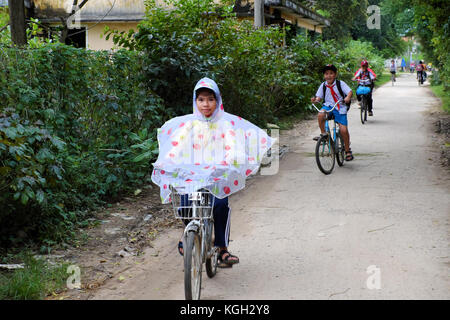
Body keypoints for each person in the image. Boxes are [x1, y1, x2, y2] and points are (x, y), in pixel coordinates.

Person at [151, 77, 273, 267]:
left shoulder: (226, 124)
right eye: (201, 99)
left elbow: (234, 149)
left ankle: (222, 248)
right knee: (184, 207)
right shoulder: (187, 125)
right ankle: (189, 234)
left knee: (220, 206)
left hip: (217, 178)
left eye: (210, 99)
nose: (205, 104)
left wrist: (233, 160)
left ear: (217, 101)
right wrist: (166, 162)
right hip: (192, 178)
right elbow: (175, 148)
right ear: (195, 101)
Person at [311, 64, 354, 161]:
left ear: (335, 74)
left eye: (331, 73)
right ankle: (323, 134)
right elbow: (319, 97)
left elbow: (349, 91)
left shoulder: (340, 83)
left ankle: (347, 151)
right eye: (326, 74)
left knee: (343, 130)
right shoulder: (323, 85)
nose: (328, 76)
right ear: (324, 75)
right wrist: (315, 100)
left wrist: (347, 97)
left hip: (339, 107)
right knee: (321, 113)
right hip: (328, 106)